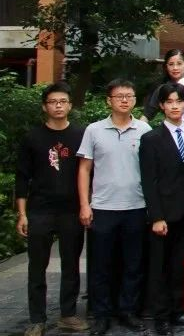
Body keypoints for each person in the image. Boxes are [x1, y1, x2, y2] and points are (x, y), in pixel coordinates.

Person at [78, 79, 152, 336]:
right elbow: (84, 170)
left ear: (135, 100)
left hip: (136, 206)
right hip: (103, 208)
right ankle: (101, 314)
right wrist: (84, 204)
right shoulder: (94, 130)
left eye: (129, 96)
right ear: (108, 101)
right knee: (101, 265)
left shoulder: (144, 129)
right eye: (119, 96)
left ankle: (128, 310)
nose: (124, 100)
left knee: (133, 264)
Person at [16, 82, 87, 336]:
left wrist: (86, 206)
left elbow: (88, 173)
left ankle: (68, 314)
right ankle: (37, 319)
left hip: (71, 210)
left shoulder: (81, 135)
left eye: (63, 101)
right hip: (40, 210)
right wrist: (22, 214)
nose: (58, 106)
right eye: (53, 102)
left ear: (70, 105)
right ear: (45, 107)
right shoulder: (32, 137)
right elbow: (22, 177)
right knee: (37, 266)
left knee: (71, 264)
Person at [138, 82, 184, 336]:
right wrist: (156, 216)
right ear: (162, 106)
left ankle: (178, 311)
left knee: (177, 265)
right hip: (163, 215)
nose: (175, 106)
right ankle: (161, 317)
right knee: (159, 267)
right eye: (170, 102)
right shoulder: (151, 139)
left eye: (179, 101)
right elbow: (148, 180)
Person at [143, 49, 184, 120]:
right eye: (171, 64)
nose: (175, 68)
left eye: (179, 64)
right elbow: (148, 114)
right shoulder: (161, 88)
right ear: (166, 67)